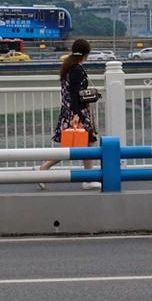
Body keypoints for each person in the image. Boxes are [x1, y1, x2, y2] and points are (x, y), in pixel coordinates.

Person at [38, 38, 100, 189]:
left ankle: (87, 178)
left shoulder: (68, 66)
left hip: (70, 110)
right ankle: (45, 168)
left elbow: (70, 93)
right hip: (77, 111)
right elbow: (74, 94)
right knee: (78, 145)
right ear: (86, 53)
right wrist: (77, 114)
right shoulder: (77, 69)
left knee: (85, 143)